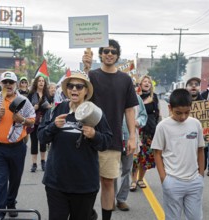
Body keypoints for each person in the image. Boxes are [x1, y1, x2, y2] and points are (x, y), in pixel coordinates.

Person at [38, 72, 112, 220]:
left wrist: (94, 135)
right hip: (56, 182)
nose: (74, 90)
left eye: (79, 86)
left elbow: (107, 141)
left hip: (84, 185)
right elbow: (41, 136)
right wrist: (53, 126)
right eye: (71, 86)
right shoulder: (57, 109)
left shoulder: (95, 112)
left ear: (86, 91)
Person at [82, 39, 138, 220]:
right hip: (87, 137)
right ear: (100, 54)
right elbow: (78, 95)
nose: (109, 54)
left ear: (118, 56)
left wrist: (132, 137)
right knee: (87, 184)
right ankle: (87, 215)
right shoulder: (92, 76)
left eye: (113, 52)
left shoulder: (125, 80)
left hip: (112, 139)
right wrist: (86, 68)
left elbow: (129, 110)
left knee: (107, 183)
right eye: (106, 51)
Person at [0, 71, 35, 220]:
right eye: (5, 82)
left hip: (18, 147)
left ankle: (11, 202)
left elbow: (32, 120)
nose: (8, 85)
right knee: (0, 181)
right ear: (0, 84)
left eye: (11, 82)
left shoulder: (23, 100)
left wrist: (22, 119)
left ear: (16, 84)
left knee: (15, 179)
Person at [152, 88, 205, 220]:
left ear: (191, 107)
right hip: (172, 181)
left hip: (194, 181)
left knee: (195, 217)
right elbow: (157, 153)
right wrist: (164, 180)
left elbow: (200, 149)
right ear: (170, 108)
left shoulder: (196, 124)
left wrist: (201, 176)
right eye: (178, 113)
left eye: (186, 112)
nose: (182, 117)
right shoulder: (163, 126)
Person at [114, 92, 147, 211]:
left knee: (127, 170)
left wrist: (138, 122)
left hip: (130, 139)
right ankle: (110, 199)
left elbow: (143, 115)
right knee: (111, 171)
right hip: (113, 139)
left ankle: (121, 199)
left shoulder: (136, 98)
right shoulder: (111, 95)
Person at [131, 75, 159, 192]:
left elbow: (158, 114)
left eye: (149, 81)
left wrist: (157, 129)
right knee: (135, 157)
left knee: (146, 157)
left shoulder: (154, 97)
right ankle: (133, 180)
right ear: (140, 84)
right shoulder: (134, 97)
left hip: (150, 130)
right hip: (137, 130)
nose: (147, 83)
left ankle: (141, 179)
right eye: (144, 81)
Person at [27, 76, 51, 172]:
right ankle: (34, 164)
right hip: (34, 121)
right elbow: (27, 108)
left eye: (43, 81)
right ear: (36, 83)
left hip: (44, 121)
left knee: (43, 142)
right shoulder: (31, 94)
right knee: (34, 142)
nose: (41, 83)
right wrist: (34, 108)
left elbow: (52, 107)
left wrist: (50, 107)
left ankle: (43, 161)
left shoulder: (47, 94)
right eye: (39, 81)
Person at [185, 77, 209, 169]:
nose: (194, 86)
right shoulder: (181, 103)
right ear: (186, 87)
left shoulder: (206, 104)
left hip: (201, 144)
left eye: (196, 84)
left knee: (201, 169)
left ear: (199, 87)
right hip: (184, 143)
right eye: (191, 84)